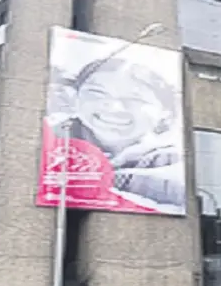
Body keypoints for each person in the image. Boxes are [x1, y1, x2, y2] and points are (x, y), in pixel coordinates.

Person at [51, 58, 185, 208]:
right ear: (75, 97)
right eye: (97, 92)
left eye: (135, 98)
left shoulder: (176, 166)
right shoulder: (47, 145)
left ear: (165, 112)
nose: (114, 107)